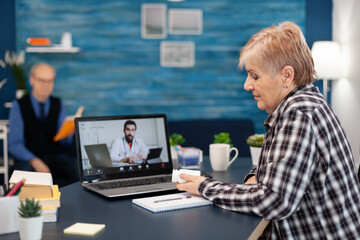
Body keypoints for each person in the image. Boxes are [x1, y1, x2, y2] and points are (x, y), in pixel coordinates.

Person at [177, 21, 360, 239]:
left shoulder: (298, 114)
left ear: (286, 76)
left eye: (254, 76)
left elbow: (276, 200)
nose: (247, 85)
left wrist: (204, 186)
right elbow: (280, 169)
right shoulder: (302, 104)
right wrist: (257, 178)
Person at [8, 63, 78, 187]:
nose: (46, 85)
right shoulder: (19, 105)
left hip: (55, 157)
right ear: (32, 80)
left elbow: (62, 141)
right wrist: (34, 160)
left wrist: (68, 135)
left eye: (50, 81)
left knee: (76, 166)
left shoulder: (58, 103)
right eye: (41, 80)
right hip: (29, 158)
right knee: (24, 171)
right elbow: (14, 144)